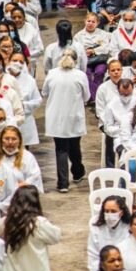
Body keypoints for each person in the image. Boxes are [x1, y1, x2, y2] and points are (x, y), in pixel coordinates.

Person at [41, 48, 89, 192]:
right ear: (76, 60)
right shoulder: (80, 75)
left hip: (56, 117)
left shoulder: (52, 74)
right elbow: (86, 97)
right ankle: (78, 172)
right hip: (74, 116)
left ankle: (63, 184)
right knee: (74, 147)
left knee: (61, 149)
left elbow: (44, 92)